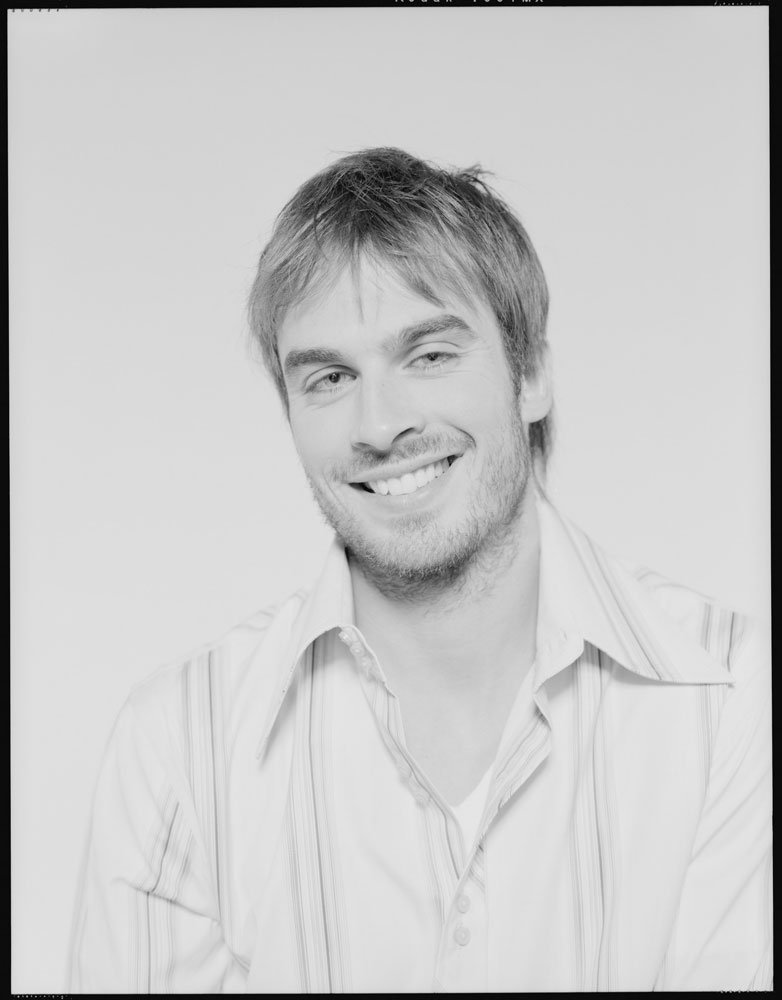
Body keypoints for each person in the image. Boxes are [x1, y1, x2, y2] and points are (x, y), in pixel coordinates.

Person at [68, 148, 772, 993]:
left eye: (429, 356)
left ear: (531, 374)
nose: (380, 424)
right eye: (330, 377)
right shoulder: (179, 745)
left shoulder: (735, 699)